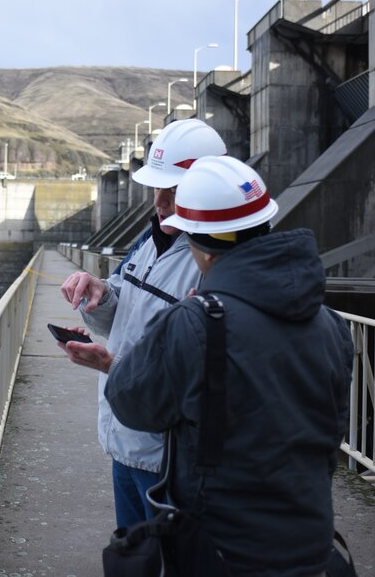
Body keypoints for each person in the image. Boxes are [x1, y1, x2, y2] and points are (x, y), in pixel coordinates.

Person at [103, 155, 355, 574]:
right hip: (309, 545)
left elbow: (129, 401)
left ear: (200, 244)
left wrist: (168, 325)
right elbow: (329, 432)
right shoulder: (331, 325)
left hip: (221, 550)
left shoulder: (195, 324)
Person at [58, 118, 227, 530]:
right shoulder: (150, 243)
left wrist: (111, 366)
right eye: (158, 189)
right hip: (125, 439)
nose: (160, 203)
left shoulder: (215, 263)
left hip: (168, 456)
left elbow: (203, 376)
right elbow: (122, 314)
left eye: (173, 192)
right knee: (133, 558)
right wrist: (99, 293)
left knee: (172, 558)